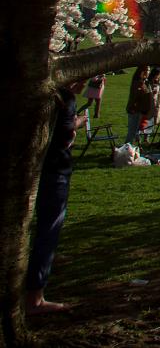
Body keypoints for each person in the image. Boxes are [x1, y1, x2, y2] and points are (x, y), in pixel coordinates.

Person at [26, 80, 88, 316]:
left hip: (30, 168)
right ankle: (35, 297)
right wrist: (78, 123)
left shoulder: (33, 94)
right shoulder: (65, 100)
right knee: (48, 229)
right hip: (55, 170)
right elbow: (65, 138)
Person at [125, 65, 160, 144]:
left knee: (136, 131)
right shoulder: (138, 82)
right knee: (132, 132)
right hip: (135, 110)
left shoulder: (145, 82)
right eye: (147, 70)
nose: (149, 72)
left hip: (140, 110)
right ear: (142, 72)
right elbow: (135, 97)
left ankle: (132, 148)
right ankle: (127, 150)